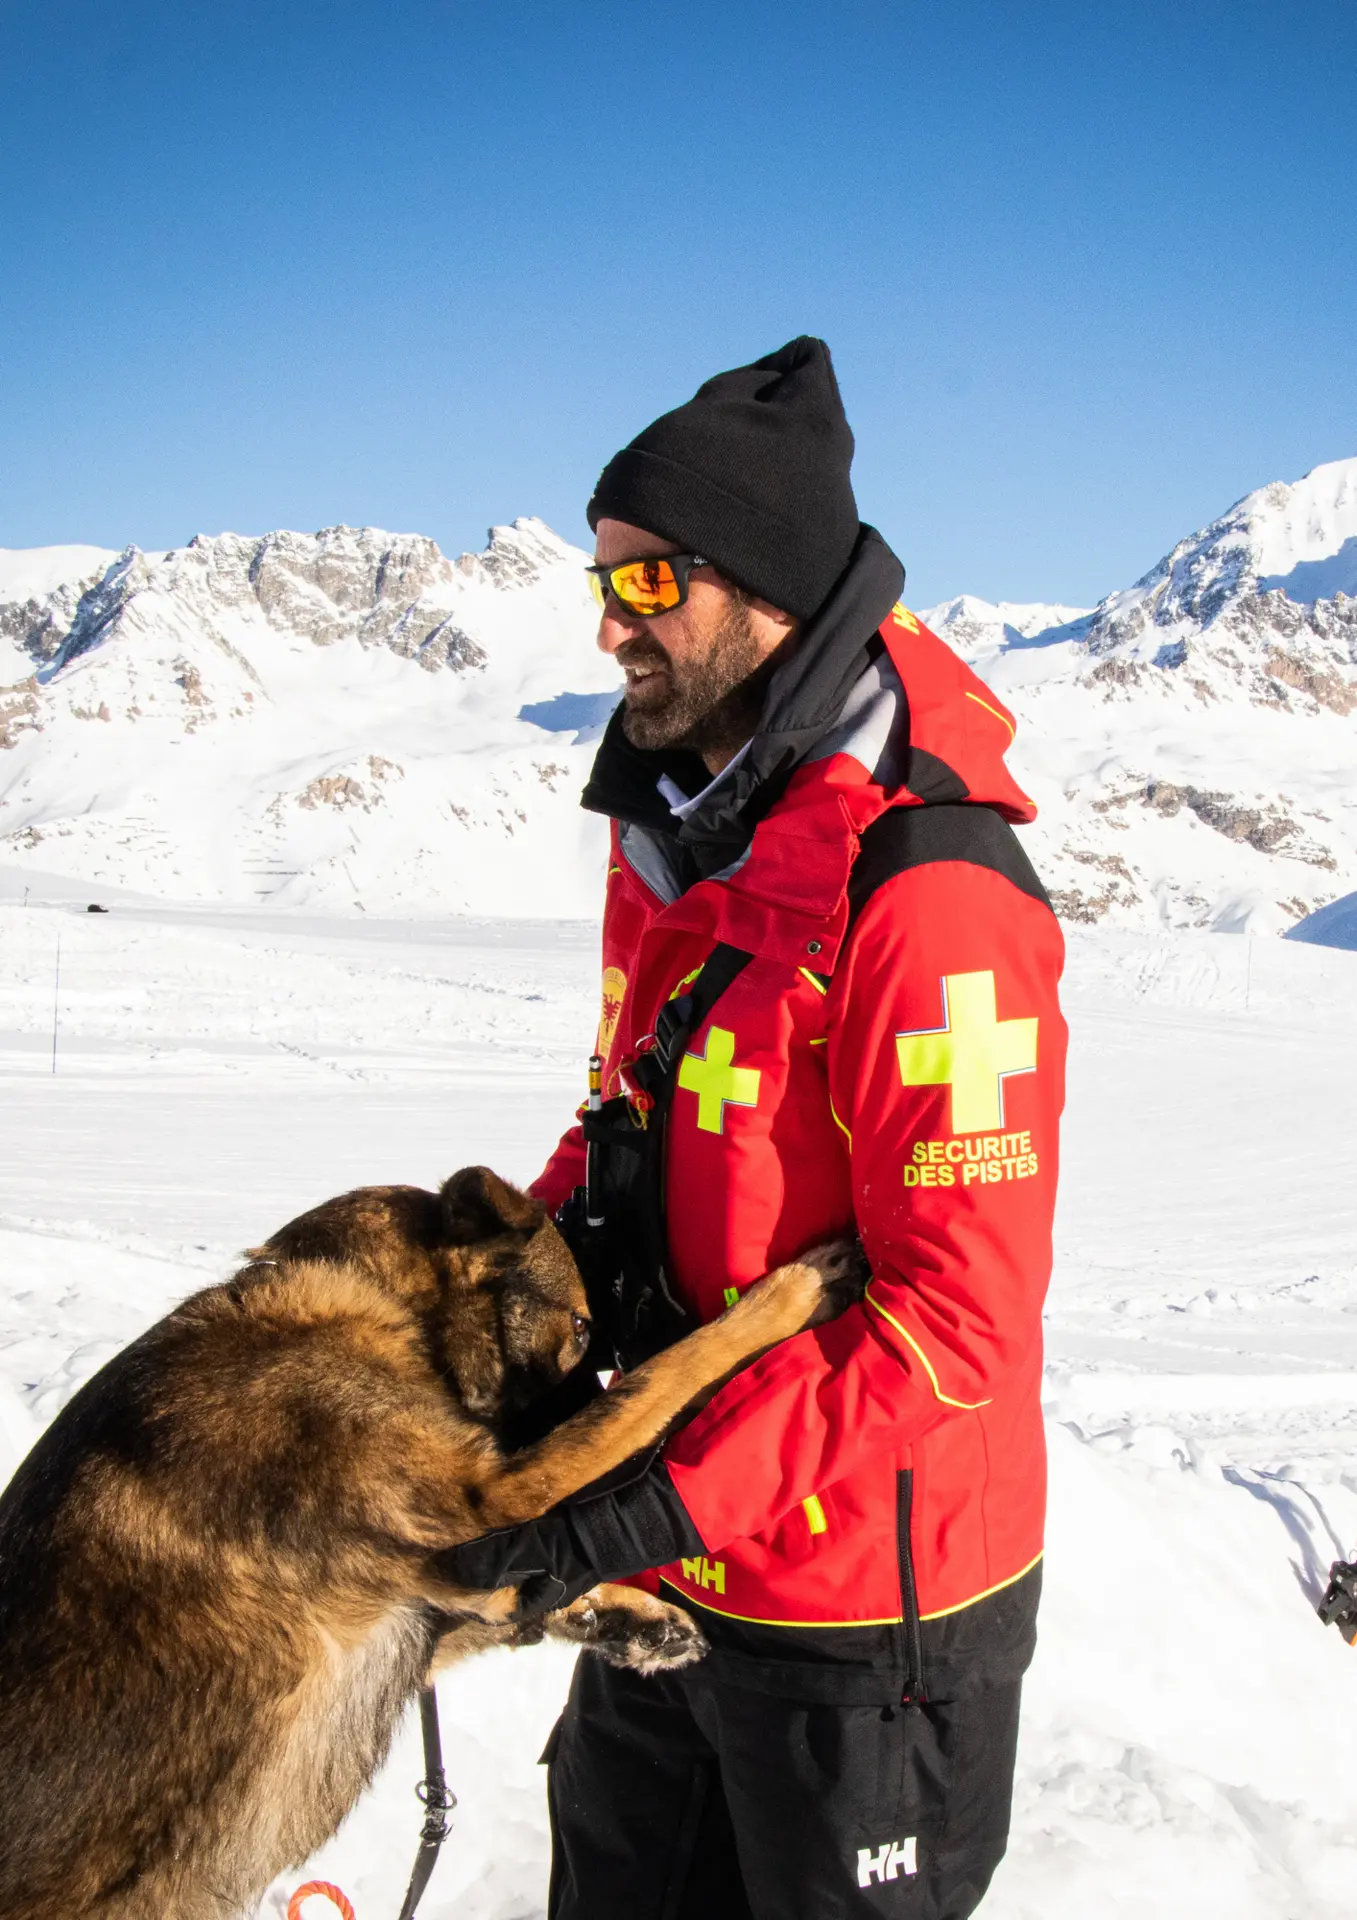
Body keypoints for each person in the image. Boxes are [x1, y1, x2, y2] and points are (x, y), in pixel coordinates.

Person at [444, 337, 1067, 1918]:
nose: (608, 624)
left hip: (865, 1626)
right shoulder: (692, 825)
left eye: (648, 585)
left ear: (765, 585)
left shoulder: (926, 892)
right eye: (605, 583)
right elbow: (628, 1119)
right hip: (668, 1575)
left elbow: (951, 1323)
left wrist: (642, 1493)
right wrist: (499, 1292)